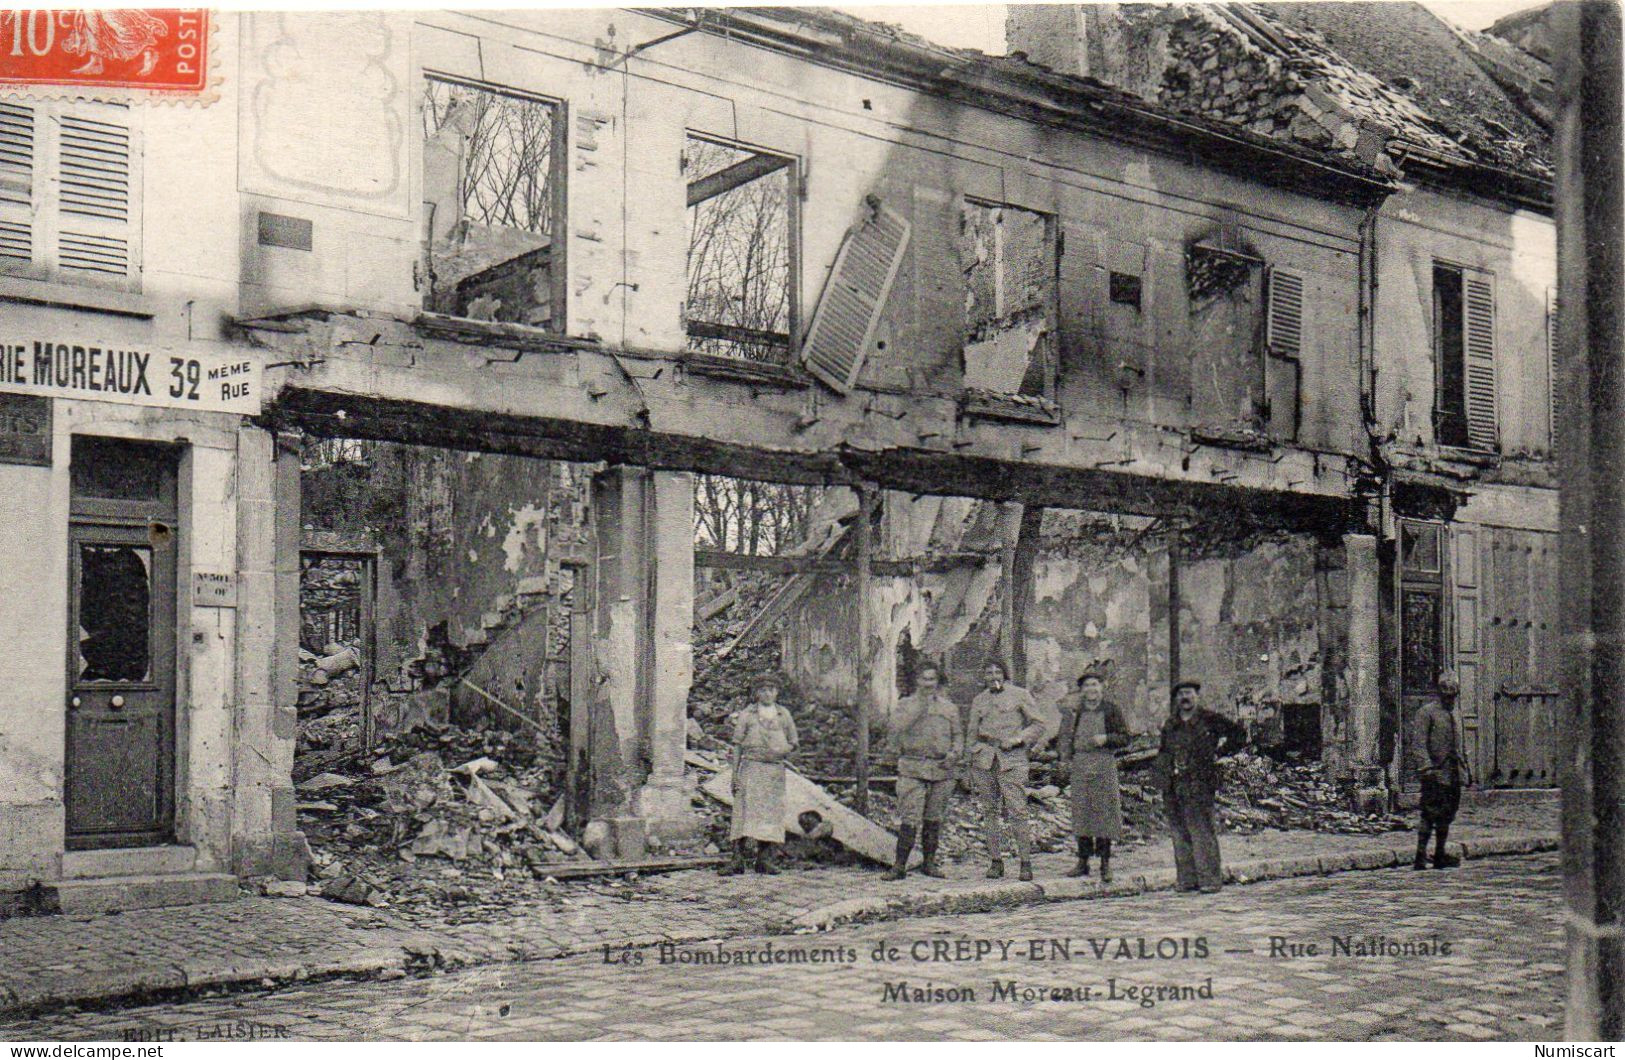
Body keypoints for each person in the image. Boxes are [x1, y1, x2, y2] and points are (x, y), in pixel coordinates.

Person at [967, 659, 1058, 882]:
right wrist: (968, 762)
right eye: (988, 672)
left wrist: (1018, 738)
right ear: (984, 677)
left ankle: (1025, 862)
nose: (993, 676)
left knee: (1017, 810)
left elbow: (1039, 724)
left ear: (1005, 674)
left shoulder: (1020, 694)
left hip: (1012, 759)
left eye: (998, 671)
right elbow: (971, 732)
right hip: (985, 758)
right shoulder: (979, 700)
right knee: (989, 811)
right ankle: (995, 861)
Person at [1156, 680, 1247, 893]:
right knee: (1179, 832)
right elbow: (1163, 751)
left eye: (1189, 693)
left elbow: (1238, 734)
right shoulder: (1171, 724)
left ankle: (1209, 880)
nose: (1185, 698)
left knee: (1202, 831)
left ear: (1197, 696)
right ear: (1177, 699)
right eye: (1181, 695)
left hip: (1200, 783)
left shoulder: (1209, 719)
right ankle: (1187, 880)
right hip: (1175, 784)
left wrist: (1219, 753)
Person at [883, 660, 963, 881]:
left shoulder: (949, 707)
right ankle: (899, 866)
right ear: (916, 681)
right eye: (924, 679)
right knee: (910, 817)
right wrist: (921, 706)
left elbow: (958, 736)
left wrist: (955, 753)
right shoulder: (905, 705)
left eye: (932, 679)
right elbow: (896, 729)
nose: (928, 684)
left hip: (941, 769)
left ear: (938, 682)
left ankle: (929, 863)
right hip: (912, 767)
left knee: (934, 817)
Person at [720, 674, 799, 876]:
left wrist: (781, 750)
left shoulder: (784, 715)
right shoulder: (748, 714)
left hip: (773, 770)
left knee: (770, 813)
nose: (767, 693)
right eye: (763, 689)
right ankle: (737, 859)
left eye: (771, 689)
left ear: (777, 692)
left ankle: (764, 860)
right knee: (743, 813)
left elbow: (793, 743)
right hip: (751, 767)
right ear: (756, 693)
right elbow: (737, 746)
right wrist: (734, 775)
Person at [1057, 666, 1131, 882]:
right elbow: (1064, 738)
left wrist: (1107, 738)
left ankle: (1105, 862)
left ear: (1102, 687)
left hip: (1103, 764)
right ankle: (1083, 861)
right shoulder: (1075, 712)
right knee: (1082, 812)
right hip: (1080, 763)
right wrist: (1064, 760)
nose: (1091, 689)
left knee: (1104, 813)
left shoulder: (1111, 710)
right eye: (1087, 685)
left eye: (1095, 684)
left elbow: (1126, 737)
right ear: (1081, 690)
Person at [1414, 670, 1465, 870]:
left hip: (1452, 772)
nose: (1449, 696)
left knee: (1447, 814)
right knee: (1429, 813)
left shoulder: (1456, 713)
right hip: (1434, 771)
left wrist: (1464, 770)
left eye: (1453, 693)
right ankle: (1420, 856)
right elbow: (1418, 743)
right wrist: (1426, 767)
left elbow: (1461, 745)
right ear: (1439, 691)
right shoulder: (1426, 713)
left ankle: (1440, 854)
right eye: (1445, 692)